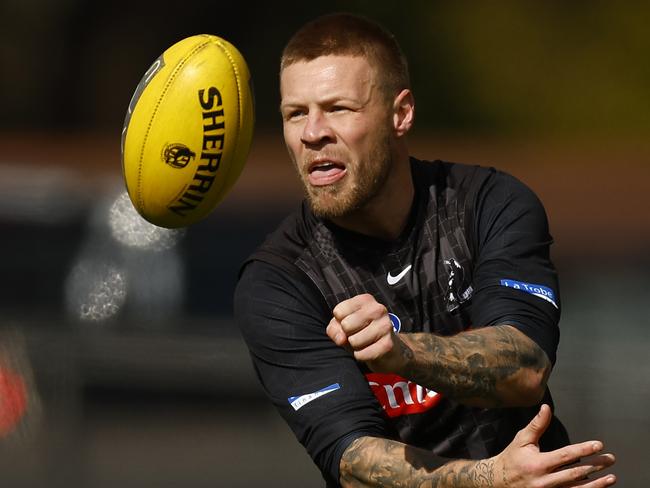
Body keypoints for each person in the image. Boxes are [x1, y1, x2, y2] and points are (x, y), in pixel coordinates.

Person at [234, 12, 616, 488]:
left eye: (339, 109)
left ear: (401, 114)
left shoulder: (486, 204)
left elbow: (525, 367)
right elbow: (352, 460)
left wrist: (401, 353)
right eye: (295, 113)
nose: (313, 133)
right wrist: (491, 479)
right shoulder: (278, 279)